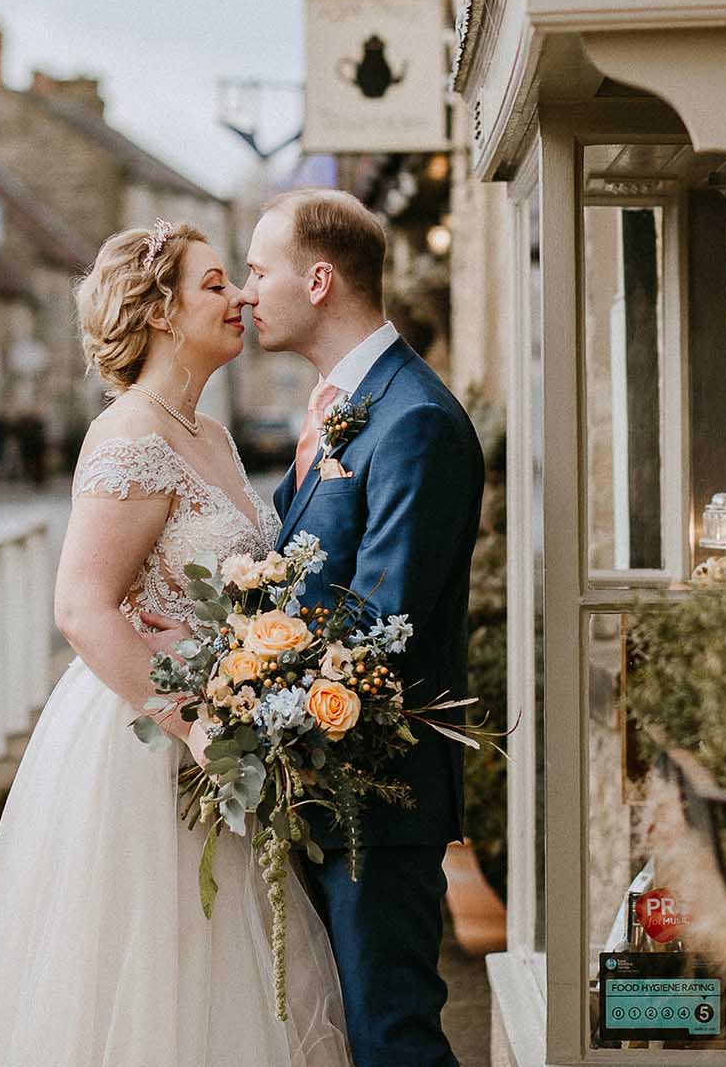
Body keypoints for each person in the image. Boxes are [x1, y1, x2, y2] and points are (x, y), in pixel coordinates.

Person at [0, 220, 350, 1067]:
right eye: (214, 284)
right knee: (138, 985)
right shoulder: (129, 436)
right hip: (145, 741)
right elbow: (83, 607)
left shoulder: (214, 436)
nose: (240, 298)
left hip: (218, 732)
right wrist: (191, 717)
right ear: (159, 310)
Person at [233, 188, 485, 1067]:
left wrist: (243, 684)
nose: (246, 292)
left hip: (378, 798)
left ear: (319, 278)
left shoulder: (413, 419)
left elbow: (384, 626)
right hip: (324, 788)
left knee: (391, 1036)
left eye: (260, 271)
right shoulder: (348, 404)